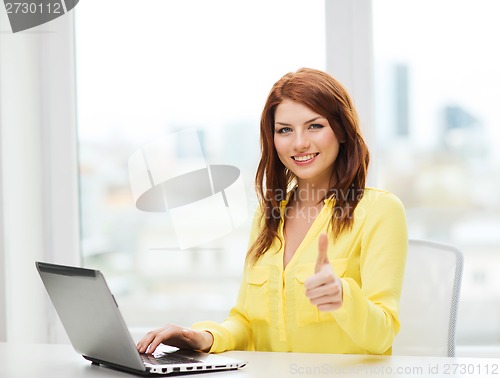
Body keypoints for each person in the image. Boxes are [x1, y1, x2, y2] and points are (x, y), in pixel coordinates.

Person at [137, 67, 408, 356]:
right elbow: (247, 324)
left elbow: (382, 335)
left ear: (341, 131)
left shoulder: (380, 211)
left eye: (315, 126)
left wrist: (342, 297)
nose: (300, 142)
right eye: (285, 130)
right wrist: (201, 337)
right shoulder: (269, 216)